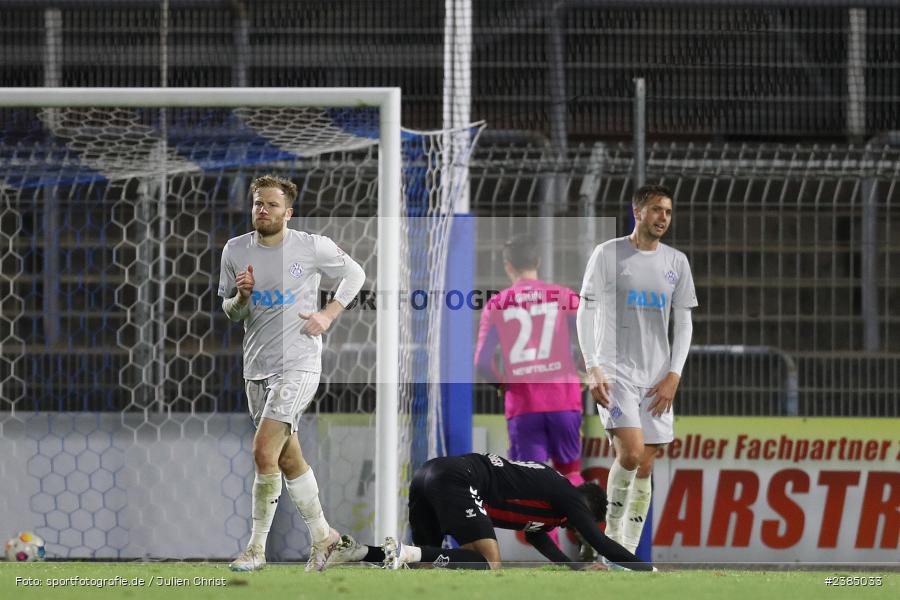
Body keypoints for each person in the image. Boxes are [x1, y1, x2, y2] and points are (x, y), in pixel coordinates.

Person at [218, 174, 366, 572]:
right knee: (287, 459)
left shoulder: (310, 246)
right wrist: (242, 296)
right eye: (257, 203)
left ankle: (255, 550)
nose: (262, 209)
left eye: (271, 204)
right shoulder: (234, 251)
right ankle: (326, 538)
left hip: (298, 363)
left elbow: (356, 274)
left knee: (263, 450)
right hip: (256, 368)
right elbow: (231, 313)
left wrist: (327, 314)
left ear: (288, 211)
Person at [576, 184, 697, 555]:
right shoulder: (608, 254)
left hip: (657, 377)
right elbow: (585, 310)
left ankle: (624, 553)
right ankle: (608, 544)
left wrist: (673, 375)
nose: (664, 218)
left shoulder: (676, 263)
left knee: (644, 466)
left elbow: (685, 322)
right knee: (629, 453)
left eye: (669, 212)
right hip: (616, 373)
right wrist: (593, 367)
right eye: (657, 210)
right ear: (638, 212)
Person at [325, 453, 655, 571]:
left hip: (431, 472)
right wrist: (646, 570)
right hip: (459, 479)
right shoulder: (569, 498)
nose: (580, 534)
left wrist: (572, 567)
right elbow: (602, 542)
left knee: (426, 562)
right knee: (489, 562)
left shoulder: (554, 500)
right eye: (583, 526)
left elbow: (535, 533)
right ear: (585, 511)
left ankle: (356, 552)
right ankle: (400, 552)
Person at [474, 234, 585, 487]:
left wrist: (502, 386)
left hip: (523, 404)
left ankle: (546, 528)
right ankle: (580, 524)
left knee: (529, 489)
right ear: (538, 261)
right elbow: (595, 335)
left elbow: (482, 361)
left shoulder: (497, 305)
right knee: (570, 476)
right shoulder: (563, 296)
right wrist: (583, 369)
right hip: (564, 399)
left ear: (508, 266)